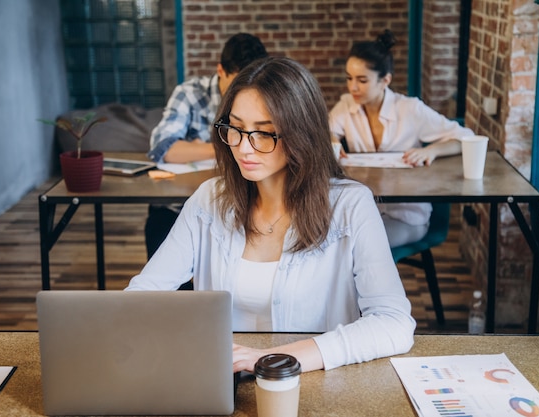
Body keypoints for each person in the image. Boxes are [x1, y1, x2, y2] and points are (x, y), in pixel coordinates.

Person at [126, 56, 416, 373]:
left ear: (301, 133)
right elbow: (142, 297)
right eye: (235, 128)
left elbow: (394, 323)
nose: (244, 148)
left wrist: (278, 360)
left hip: (314, 384)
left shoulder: (350, 206)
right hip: (226, 384)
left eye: (264, 133)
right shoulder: (210, 199)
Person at [329, 29, 474, 248]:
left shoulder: (410, 109)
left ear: (385, 80)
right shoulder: (347, 105)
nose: (353, 87)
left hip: (405, 215)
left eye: (362, 80)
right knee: (332, 244)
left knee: (354, 248)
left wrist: (431, 151)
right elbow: (324, 132)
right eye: (349, 78)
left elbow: (466, 137)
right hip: (365, 210)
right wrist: (332, 140)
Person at [144, 33, 268, 262]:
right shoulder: (190, 94)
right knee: (168, 287)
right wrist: (222, 146)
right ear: (220, 71)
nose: (242, 94)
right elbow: (163, 148)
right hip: (177, 208)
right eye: (236, 83)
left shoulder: (263, 96)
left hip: (238, 208)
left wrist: (195, 147)